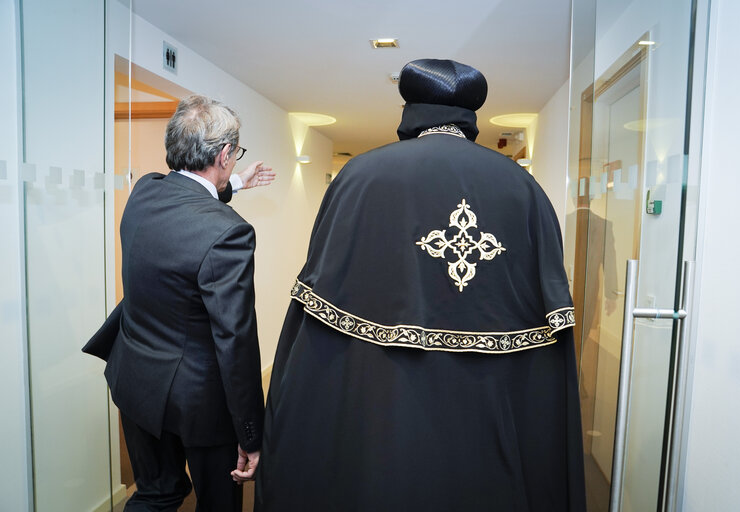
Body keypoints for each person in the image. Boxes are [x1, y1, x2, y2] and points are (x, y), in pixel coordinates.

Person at [255, 59, 586, 511]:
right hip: (490, 409)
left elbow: (314, 307)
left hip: (380, 405)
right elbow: (551, 331)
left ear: (410, 107)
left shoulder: (360, 177)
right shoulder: (522, 188)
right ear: (471, 113)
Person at [104, 94, 275, 511]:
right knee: (218, 503)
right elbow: (235, 339)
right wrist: (251, 435)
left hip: (136, 380)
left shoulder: (145, 191)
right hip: (199, 404)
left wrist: (234, 183)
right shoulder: (230, 232)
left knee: (156, 495)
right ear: (225, 153)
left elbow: (188, 204)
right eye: (234, 156)